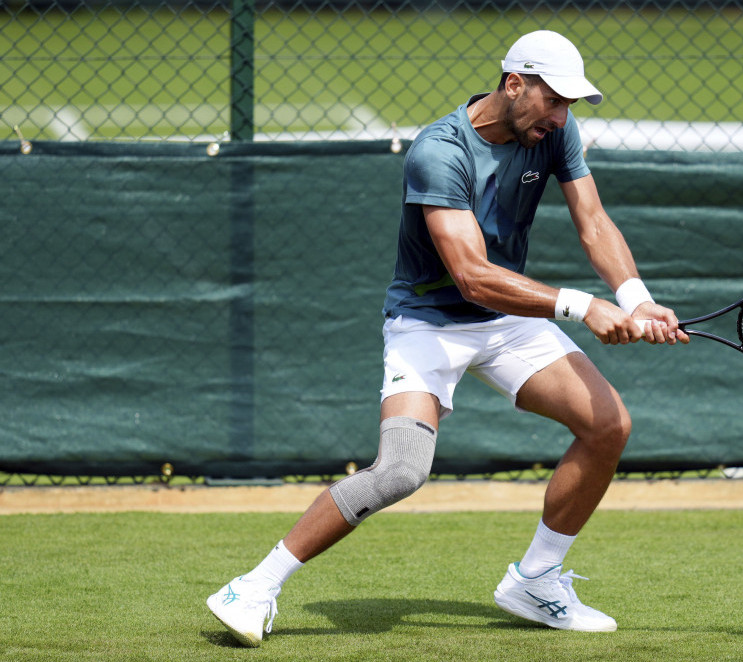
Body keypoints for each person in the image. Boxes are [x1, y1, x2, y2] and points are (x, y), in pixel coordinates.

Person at [207, 29, 688, 646]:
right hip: (428, 323)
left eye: (570, 104)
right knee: (401, 470)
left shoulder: (554, 132)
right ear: (514, 83)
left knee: (608, 426)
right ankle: (253, 586)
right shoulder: (439, 151)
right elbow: (472, 274)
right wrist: (581, 306)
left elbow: (593, 222)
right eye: (554, 99)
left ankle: (536, 580)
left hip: (508, 322)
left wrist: (634, 299)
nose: (562, 116)